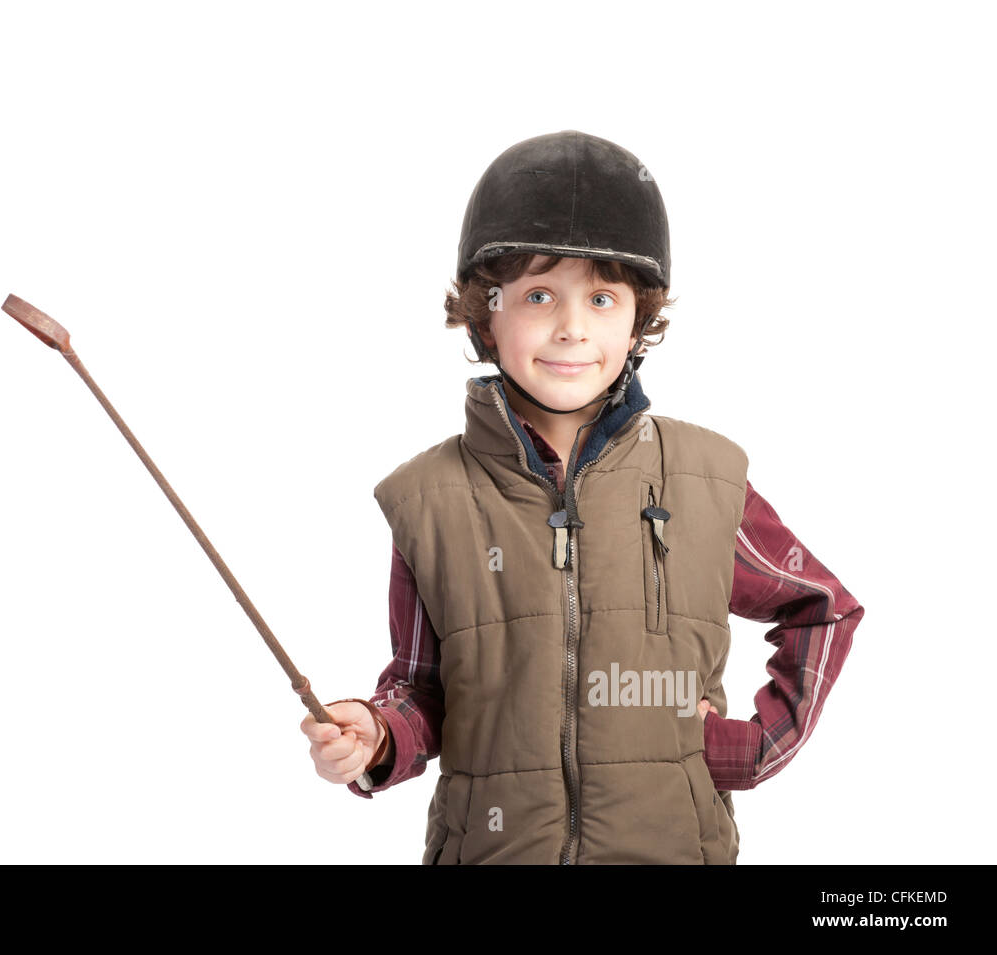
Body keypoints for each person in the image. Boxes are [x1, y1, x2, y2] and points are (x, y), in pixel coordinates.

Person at [300, 130, 864, 864]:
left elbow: (822, 606)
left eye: (601, 298)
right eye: (538, 296)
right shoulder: (430, 500)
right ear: (485, 315)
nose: (571, 328)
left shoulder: (705, 479)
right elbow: (422, 690)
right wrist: (376, 734)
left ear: (637, 321)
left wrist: (750, 747)